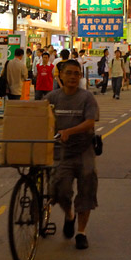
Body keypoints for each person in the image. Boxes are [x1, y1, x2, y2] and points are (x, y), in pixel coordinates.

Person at [45, 59, 100, 250]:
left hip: (84, 150)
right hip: (61, 153)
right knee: (60, 190)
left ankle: (81, 232)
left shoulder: (87, 98)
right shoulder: (51, 98)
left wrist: (70, 131)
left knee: (87, 187)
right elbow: (42, 120)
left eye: (77, 74)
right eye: (69, 73)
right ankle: (69, 215)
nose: (72, 77)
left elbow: (90, 121)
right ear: (60, 75)